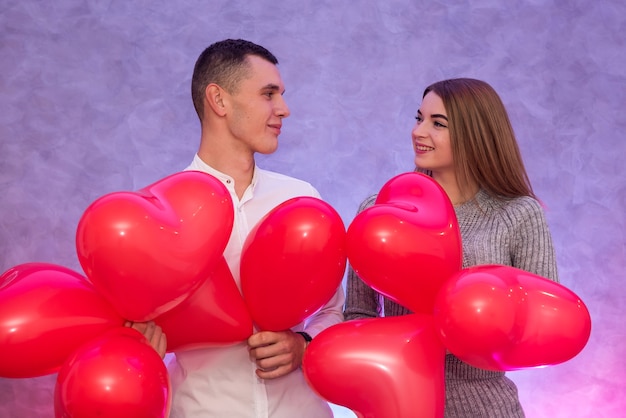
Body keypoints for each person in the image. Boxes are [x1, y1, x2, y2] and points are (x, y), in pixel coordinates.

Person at [130, 39, 344, 417]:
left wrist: (304, 343)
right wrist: (135, 347)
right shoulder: (157, 212)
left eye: (281, 94)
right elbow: (135, 326)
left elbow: (331, 310)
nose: (284, 109)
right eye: (268, 94)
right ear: (220, 101)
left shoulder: (301, 200)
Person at [344, 78, 559, 417]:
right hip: (398, 404)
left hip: (487, 407)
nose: (419, 131)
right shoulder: (381, 210)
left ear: (475, 134)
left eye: (437, 123)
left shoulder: (517, 213)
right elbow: (357, 316)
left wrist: (462, 334)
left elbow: (542, 325)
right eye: (419, 118)